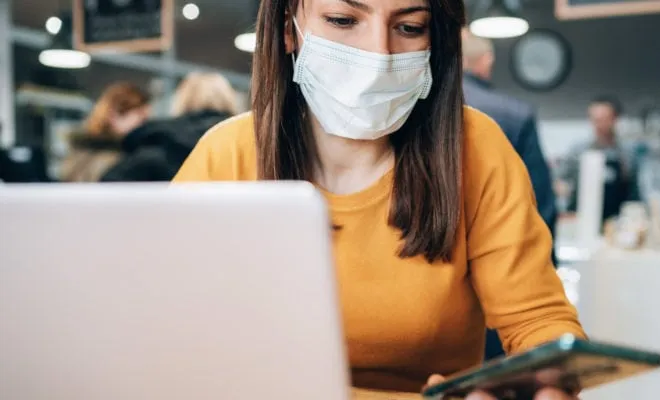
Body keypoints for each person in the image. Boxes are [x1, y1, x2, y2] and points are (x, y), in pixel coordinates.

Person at [173, 0, 584, 399]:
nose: (379, 54)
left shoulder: (475, 150)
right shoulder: (225, 156)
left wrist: (550, 379)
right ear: (287, 29)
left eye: (409, 28)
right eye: (342, 19)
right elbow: (167, 340)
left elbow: (536, 318)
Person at [460, 28, 560, 362]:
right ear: (486, 61)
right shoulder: (514, 113)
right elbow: (542, 206)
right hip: (504, 274)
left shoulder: (405, 109)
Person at [101, 73, 240, 182]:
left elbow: (108, 186)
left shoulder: (159, 144)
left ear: (181, 100)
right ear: (230, 100)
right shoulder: (245, 143)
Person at [558, 96, 641, 223]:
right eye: (595, 119)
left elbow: (635, 194)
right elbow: (560, 181)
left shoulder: (628, 154)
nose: (599, 124)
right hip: (582, 220)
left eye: (604, 119)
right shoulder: (578, 151)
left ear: (615, 119)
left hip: (618, 222)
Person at [60, 82, 151, 182]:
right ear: (115, 114)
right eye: (142, 119)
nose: (145, 126)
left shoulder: (79, 150)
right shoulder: (116, 159)